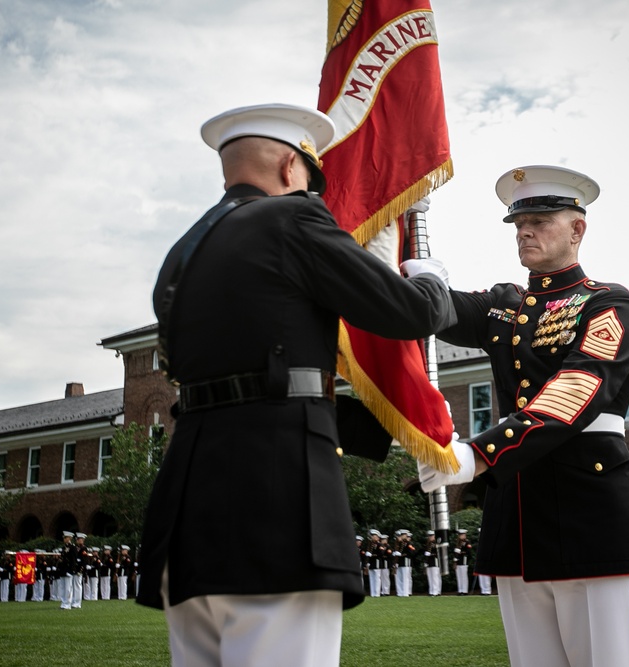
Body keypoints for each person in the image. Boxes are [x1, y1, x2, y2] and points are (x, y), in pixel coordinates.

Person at [136, 102, 456, 667]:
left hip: (190, 499)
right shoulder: (293, 219)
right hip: (277, 495)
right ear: (291, 167)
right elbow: (406, 312)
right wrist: (431, 278)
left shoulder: (181, 253)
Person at [416, 166, 629, 667]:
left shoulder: (608, 304)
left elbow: (574, 392)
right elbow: (429, 313)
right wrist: (417, 272)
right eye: (519, 222)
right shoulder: (506, 304)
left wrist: (478, 455)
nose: (525, 230)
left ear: (577, 229)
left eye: (541, 219)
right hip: (519, 514)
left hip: (589, 508)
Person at [453, 529, 473, 595]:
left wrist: (461, 553)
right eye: (459, 535)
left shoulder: (467, 542)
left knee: (464, 576)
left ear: (464, 535)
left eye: (462, 535)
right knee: (459, 576)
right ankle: (460, 590)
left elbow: (469, 552)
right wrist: (455, 561)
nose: (460, 536)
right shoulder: (457, 542)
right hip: (458, 561)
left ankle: (464, 591)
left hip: (464, 561)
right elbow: (455, 553)